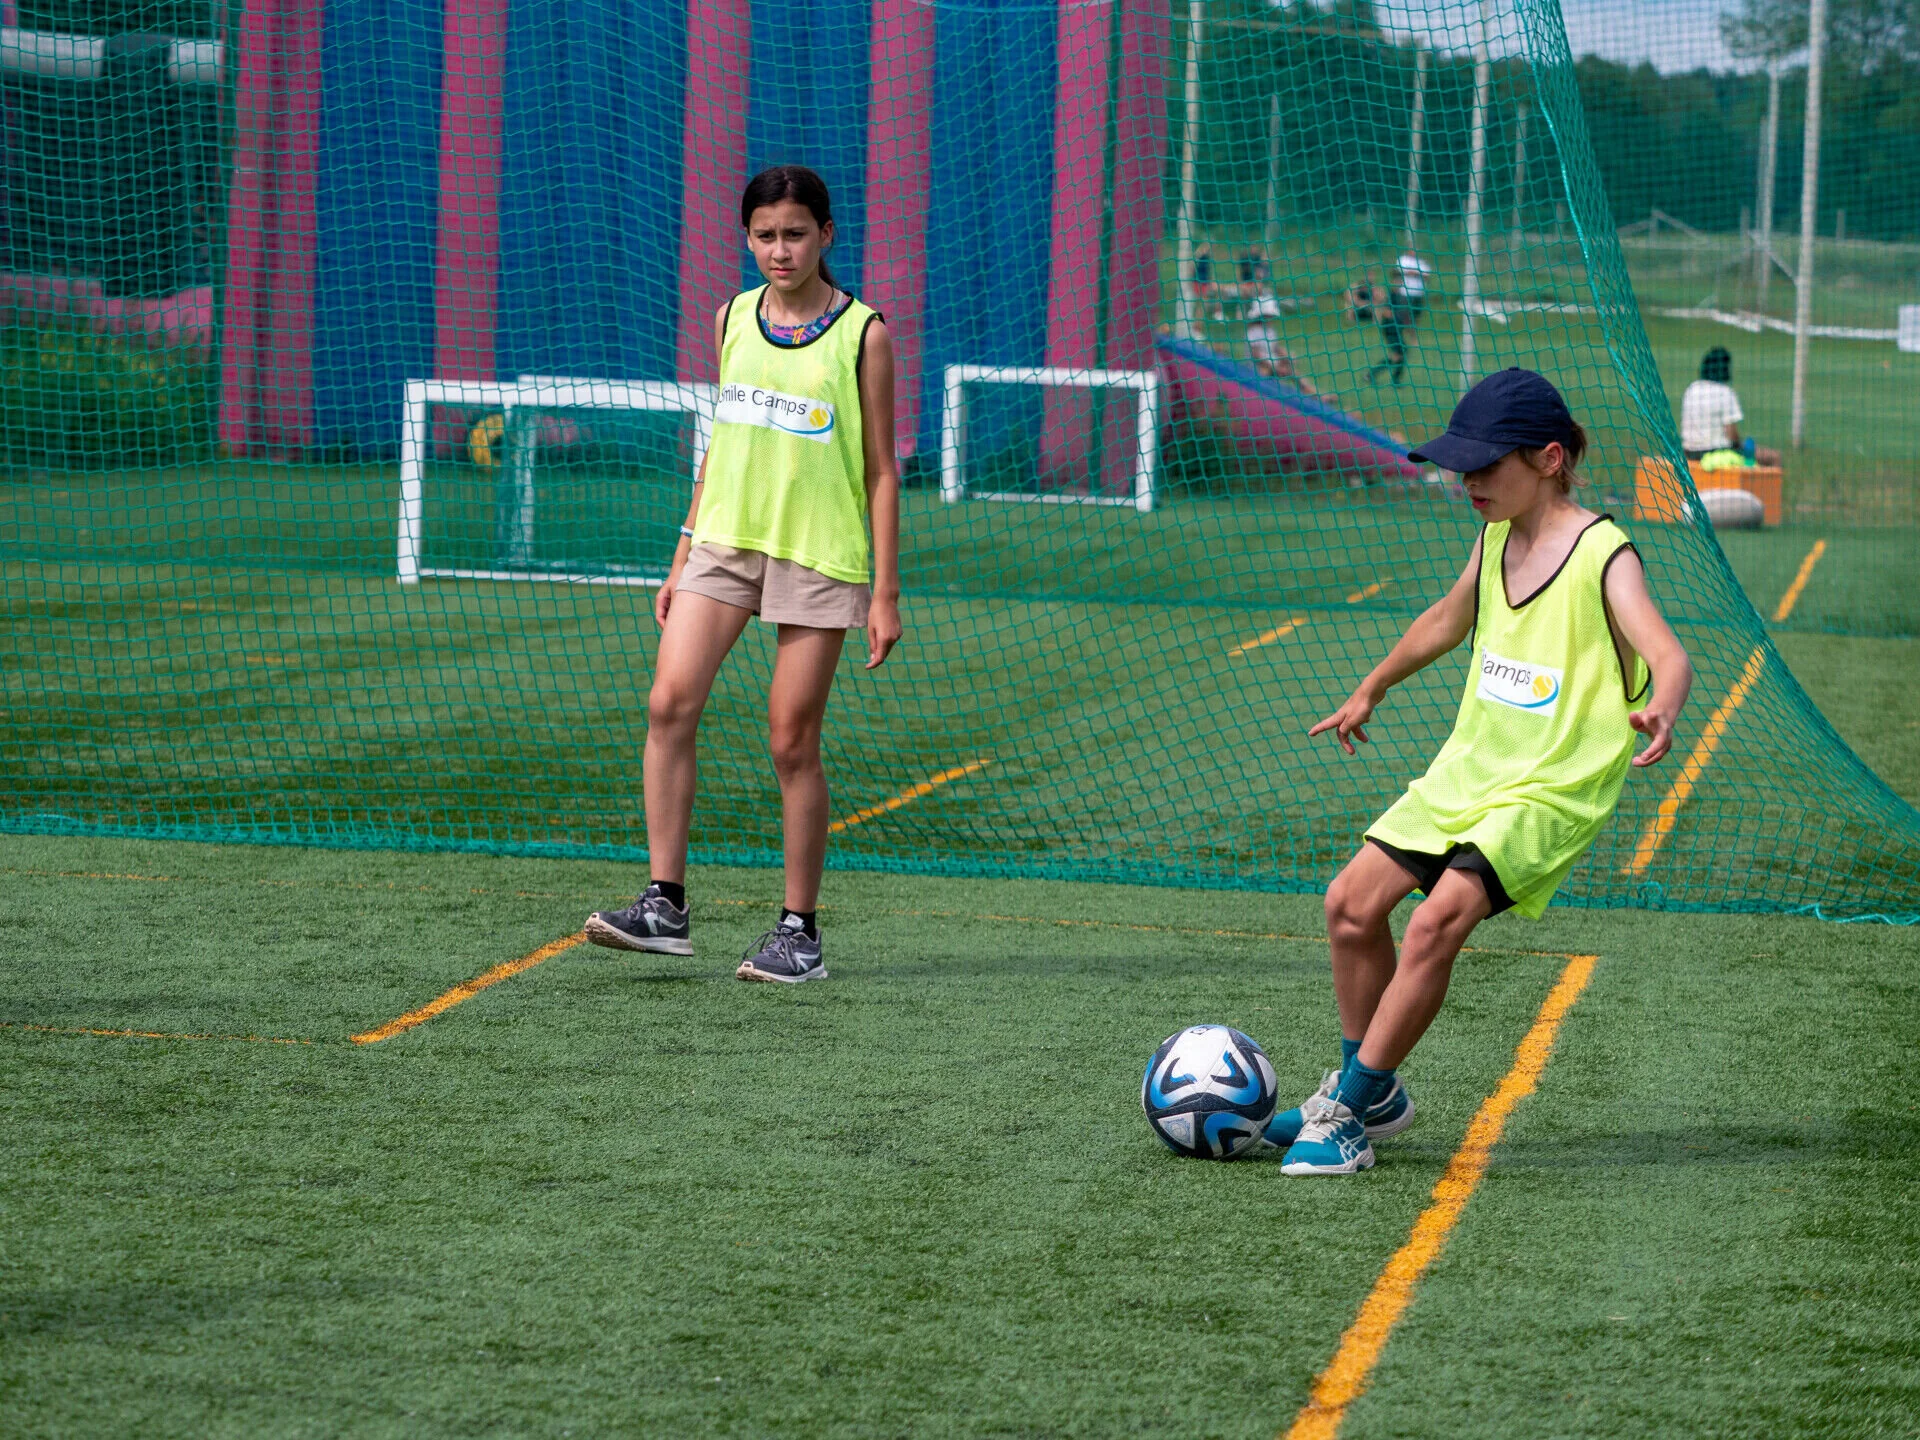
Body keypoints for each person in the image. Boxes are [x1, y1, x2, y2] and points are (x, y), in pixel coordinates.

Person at [1270, 368, 1693, 1175]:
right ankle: (1372, 1094)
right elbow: (1446, 618)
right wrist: (1373, 685)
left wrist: (1663, 708)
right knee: (1350, 906)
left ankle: (1345, 1111)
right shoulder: (1494, 537)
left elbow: (1668, 653)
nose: (1467, 481)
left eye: (1484, 465)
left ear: (1549, 459)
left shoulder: (1604, 553)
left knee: (1437, 919)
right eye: (1459, 466)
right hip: (1473, 769)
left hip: (1553, 786)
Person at [583, 165, 902, 984]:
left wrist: (884, 593)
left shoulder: (863, 334)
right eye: (764, 236)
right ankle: (664, 905)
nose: (780, 250)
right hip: (724, 541)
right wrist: (681, 553)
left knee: (791, 740)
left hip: (818, 553)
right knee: (668, 701)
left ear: (826, 235)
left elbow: (881, 471)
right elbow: (723, 440)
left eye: (795, 234)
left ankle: (800, 934)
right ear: (747, 238)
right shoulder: (730, 316)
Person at [1680, 347, 1779, 466]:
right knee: (1774, 457)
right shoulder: (1725, 392)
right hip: (1718, 452)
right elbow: (1731, 434)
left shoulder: (1691, 389)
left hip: (1689, 452)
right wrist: (1741, 445)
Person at [1245, 294, 1319, 396]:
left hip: (1272, 362)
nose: (1271, 318)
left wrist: (1287, 356)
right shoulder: (1253, 332)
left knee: (1292, 371)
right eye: (1268, 315)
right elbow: (1256, 355)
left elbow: (1276, 348)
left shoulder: (1270, 330)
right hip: (1257, 366)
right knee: (1267, 373)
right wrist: (1275, 367)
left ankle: (1312, 392)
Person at [1351, 271, 1406, 385]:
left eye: (1401, 281)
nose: (1399, 283)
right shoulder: (1391, 295)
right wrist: (1395, 317)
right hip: (1390, 329)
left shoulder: (1399, 295)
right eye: (1397, 280)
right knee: (1397, 355)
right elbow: (1386, 311)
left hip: (1396, 329)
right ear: (1393, 281)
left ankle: (1394, 379)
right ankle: (1371, 375)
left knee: (1402, 353)